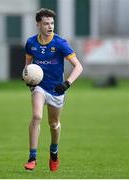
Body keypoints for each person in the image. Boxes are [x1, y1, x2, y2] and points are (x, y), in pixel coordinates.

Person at [23, 8, 83, 171]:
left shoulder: (60, 43)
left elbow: (78, 66)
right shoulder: (31, 43)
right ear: (38, 25)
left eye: (52, 23)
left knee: (54, 124)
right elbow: (28, 66)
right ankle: (32, 157)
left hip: (57, 90)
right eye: (46, 23)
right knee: (36, 116)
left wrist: (67, 83)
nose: (50, 26)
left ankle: (54, 152)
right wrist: (27, 78)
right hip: (39, 87)